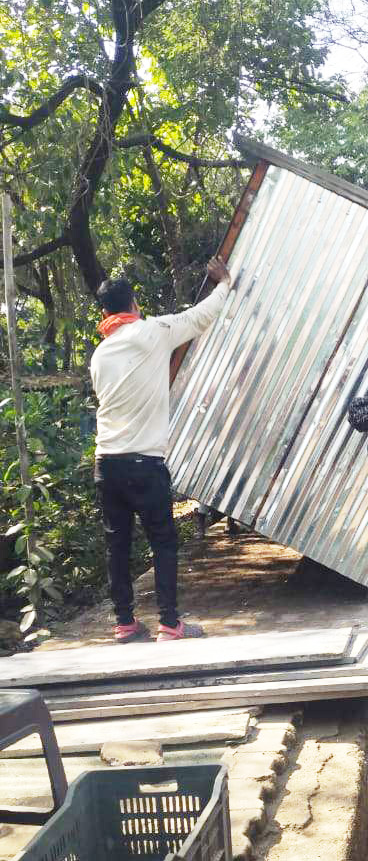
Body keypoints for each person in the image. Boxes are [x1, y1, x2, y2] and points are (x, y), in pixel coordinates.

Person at [91, 256, 233, 643]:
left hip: (106, 464)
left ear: (104, 314)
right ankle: (170, 624)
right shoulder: (152, 332)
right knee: (163, 542)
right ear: (134, 304)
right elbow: (199, 318)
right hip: (144, 463)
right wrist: (223, 284)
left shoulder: (100, 355)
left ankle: (125, 624)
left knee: (117, 545)